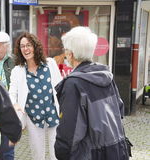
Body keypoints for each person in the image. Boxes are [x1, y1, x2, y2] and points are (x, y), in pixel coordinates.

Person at [54, 26, 129, 160]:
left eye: (66, 50)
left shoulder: (74, 84)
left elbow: (68, 134)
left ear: (70, 54)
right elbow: (119, 112)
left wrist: (61, 153)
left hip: (92, 154)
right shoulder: (106, 76)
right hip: (116, 150)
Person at [9, 32, 62, 160]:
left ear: (35, 46)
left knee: (57, 153)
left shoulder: (50, 64)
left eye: (29, 45)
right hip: (33, 118)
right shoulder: (18, 70)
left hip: (53, 115)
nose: (26, 49)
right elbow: (12, 93)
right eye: (22, 46)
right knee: (37, 154)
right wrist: (15, 104)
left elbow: (60, 87)